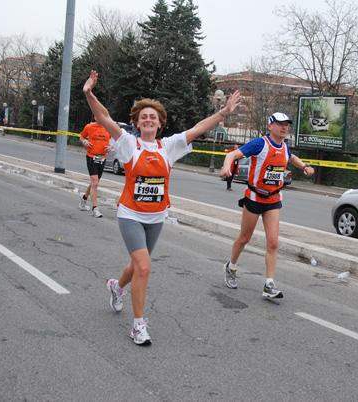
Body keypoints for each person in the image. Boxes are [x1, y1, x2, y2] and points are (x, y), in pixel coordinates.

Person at [83, 70, 241, 345]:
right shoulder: (128, 144)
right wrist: (89, 93)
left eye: (152, 117)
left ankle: (117, 287)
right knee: (144, 266)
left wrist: (223, 113)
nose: (147, 120)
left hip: (156, 217)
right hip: (130, 214)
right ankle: (138, 326)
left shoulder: (168, 147)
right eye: (143, 116)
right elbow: (104, 118)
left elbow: (198, 128)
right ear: (137, 122)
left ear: (159, 124)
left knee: (137, 265)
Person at [220, 112, 315, 299]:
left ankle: (269, 284)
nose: (284, 127)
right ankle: (230, 266)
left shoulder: (284, 147)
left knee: (273, 243)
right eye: (280, 123)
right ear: (270, 126)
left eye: (287, 124)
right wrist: (226, 166)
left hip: (273, 200)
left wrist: (304, 166)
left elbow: (291, 157)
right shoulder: (260, 143)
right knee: (244, 238)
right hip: (255, 198)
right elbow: (232, 155)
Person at [78, 116, 112, 218]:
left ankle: (84, 198)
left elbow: (115, 140)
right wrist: (85, 142)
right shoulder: (89, 127)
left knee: (95, 183)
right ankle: (95, 208)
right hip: (91, 156)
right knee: (95, 182)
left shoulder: (108, 128)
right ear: (95, 117)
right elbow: (81, 137)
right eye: (98, 116)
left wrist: (110, 147)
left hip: (102, 158)